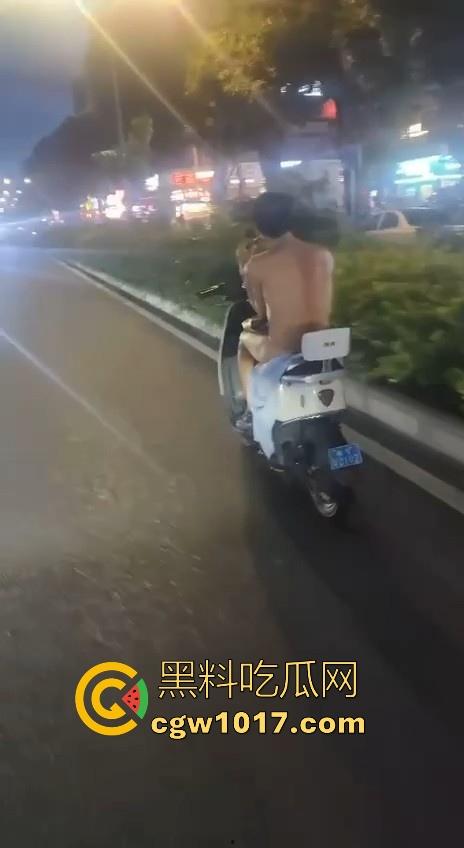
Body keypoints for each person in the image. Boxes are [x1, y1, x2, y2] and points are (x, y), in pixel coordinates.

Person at [236, 192, 334, 428]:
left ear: (258, 224)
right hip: (324, 347)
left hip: (285, 350)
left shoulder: (257, 263)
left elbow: (259, 312)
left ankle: (251, 412)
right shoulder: (323, 254)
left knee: (244, 343)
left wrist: (244, 265)